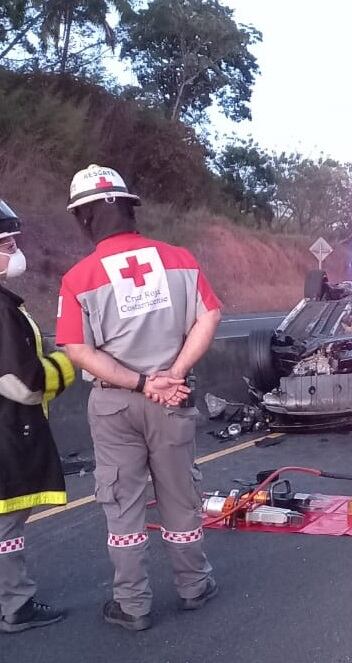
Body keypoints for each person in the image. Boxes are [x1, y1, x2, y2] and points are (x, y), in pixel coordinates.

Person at [55, 165, 222, 632]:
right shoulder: (180, 259)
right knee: (179, 493)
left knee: (122, 502)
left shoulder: (80, 277)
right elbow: (209, 316)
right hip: (174, 399)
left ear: (84, 218)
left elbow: (76, 348)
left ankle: (133, 605)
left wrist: (139, 382)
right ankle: (193, 586)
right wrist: (174, 373)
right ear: (130, 208)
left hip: (114, 404)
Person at [0, 200, 74, 633]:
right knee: (6, 525)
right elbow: (23, 383)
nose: (14, 251)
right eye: (6, 243)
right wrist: (68, 365)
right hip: (8, 433)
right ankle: (16, 605)